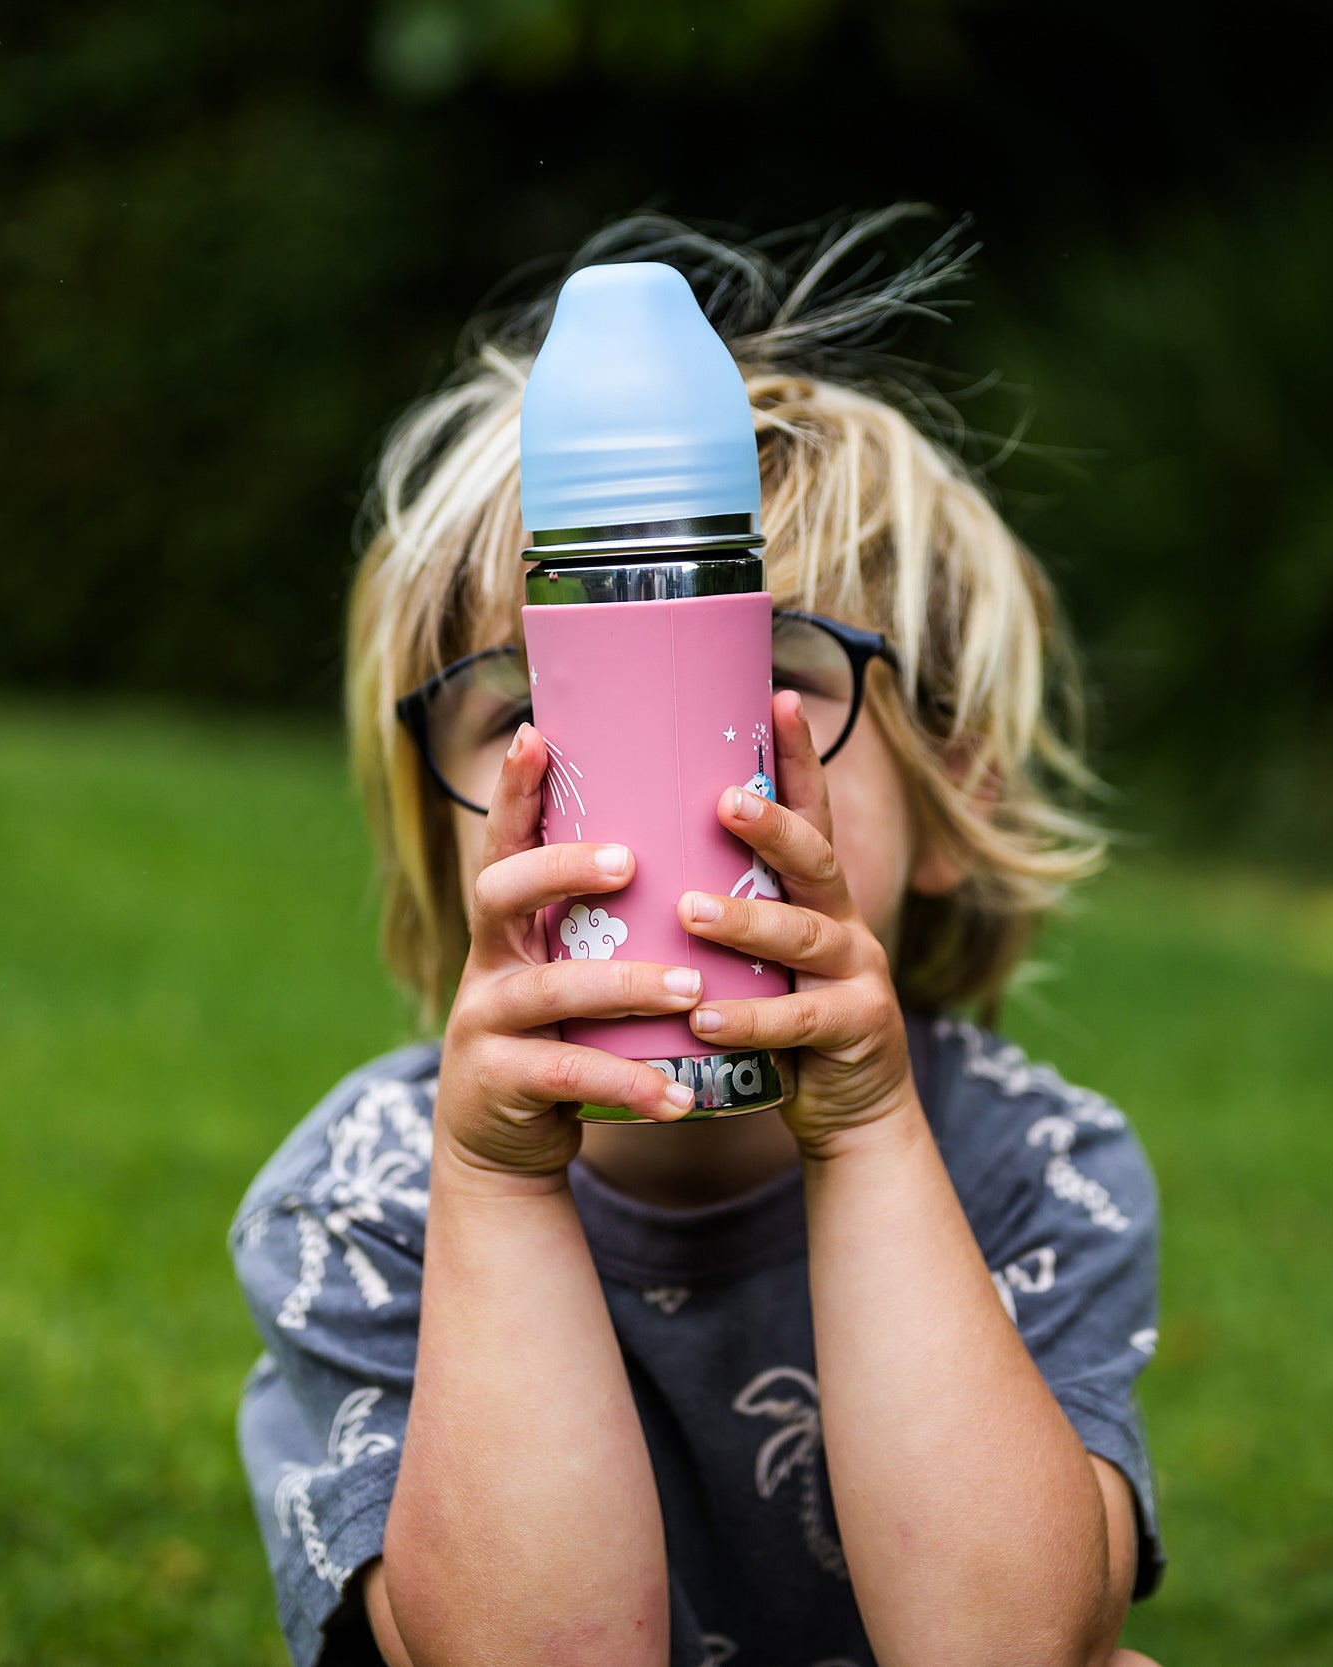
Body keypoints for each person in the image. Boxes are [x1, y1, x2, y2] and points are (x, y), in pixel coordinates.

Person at [229, 213, 1166, 1667]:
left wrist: (862, 1136)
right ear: (442, 824)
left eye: (765, 682)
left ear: (955, 783)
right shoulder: (364, 1204)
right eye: (536, 710)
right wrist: (497, 1184)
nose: (670, 796)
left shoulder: (1036, 1169)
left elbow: (1012, 1650)